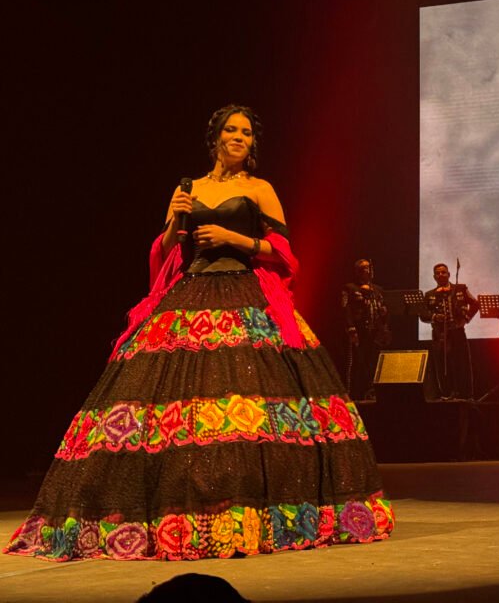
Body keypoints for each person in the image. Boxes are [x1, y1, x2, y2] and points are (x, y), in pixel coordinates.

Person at [5, 105, 394, 561]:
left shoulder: (260, 189)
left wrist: (235, 240)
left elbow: (286, 255)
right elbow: (167, 251)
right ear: (215, 138)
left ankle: (260, 507)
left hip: (245, 292)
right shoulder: (188, 187)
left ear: (253, 143)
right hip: (189, 293)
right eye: (231, 130)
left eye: (246, 133)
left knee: (251, 403)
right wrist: (174, 221)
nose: (239, 138)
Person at [421, 262, 479, 399]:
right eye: (438, 273)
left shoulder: (460, 288)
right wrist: (435, 317)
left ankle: (465, 394)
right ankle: (446, 393)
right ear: (434, 277)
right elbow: (423, 315)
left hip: (457, 332)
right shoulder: (429, 295)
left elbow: (475, 304)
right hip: (439, 334)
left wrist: (466, 319)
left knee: (462, 363)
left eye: (443, 272)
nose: (441, 275)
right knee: (441, 364)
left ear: (449, 274)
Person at [342, 258, 391, 400]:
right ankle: (356, 393)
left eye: (368, 268)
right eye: (363, 268)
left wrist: (384, 314)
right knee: (358, 362)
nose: (366, 271)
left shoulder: (378, 289)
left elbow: (385, 310)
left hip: (376, 331)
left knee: (374, 362)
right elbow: (345, 309)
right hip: (359, 329)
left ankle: (372, 391)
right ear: (357, 271)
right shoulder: (350, 288)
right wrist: (351, 328)